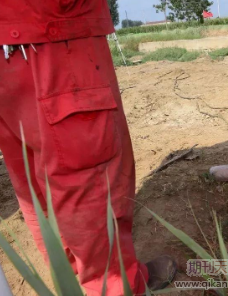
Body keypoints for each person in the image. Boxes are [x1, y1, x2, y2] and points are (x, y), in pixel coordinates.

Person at [0, 1, 176, 295]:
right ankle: (115, 287)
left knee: (33, 181)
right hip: (55, 33)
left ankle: (74, 283)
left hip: (12, 40)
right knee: (92, 186)